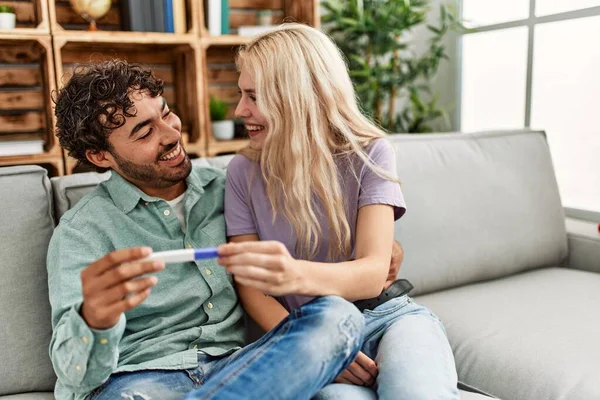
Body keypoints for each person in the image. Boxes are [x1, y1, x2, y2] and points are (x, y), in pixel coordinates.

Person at [47, 59, 402, 400]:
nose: (171, 134)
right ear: (100, 156)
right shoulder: (82, 233)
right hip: (139, 380)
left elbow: (306, 250)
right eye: (144, 132)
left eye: (166, 112)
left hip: (238, 368)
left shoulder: (232, 187)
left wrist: (380, 247)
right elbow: (73, 373)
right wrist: (94, 318)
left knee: (337, 319)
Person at [219, 24, 459, 400]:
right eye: (241, 94)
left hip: (386, 318)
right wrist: (314, 343)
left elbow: (371, 273)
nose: (240, 110)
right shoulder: (242, 173)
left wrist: (292, 274)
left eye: (254, 96)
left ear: (295, 96)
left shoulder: (369, 153)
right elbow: (253, 291)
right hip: (308, 334)